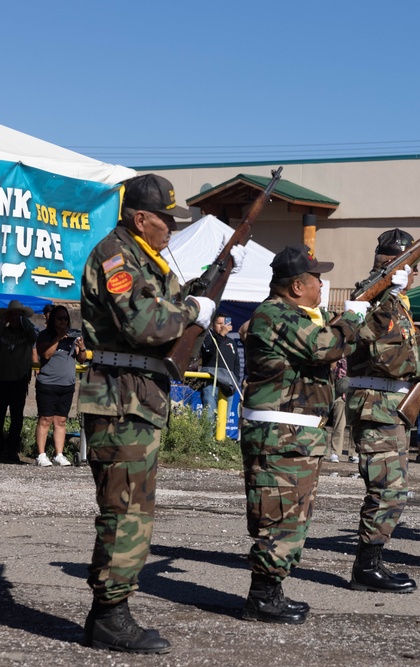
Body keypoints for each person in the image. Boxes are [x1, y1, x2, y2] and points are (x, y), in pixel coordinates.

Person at [78, 174, 216, 653]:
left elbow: (162, 314)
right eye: (166, 220)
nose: (171, 229)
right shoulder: (116, 256)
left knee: (134, 507)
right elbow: (143, 322)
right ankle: (109, 617)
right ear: (140, 217)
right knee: (124, 511)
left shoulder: (143, 258)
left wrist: (191, 299)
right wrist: (193, 308)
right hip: (119, 400)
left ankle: (112, 612)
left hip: (136, 399)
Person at [240, 244, 365, 623]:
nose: (323, 285)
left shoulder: (296, 315)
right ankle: (261, 598)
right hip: (279, 436)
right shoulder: (274, 314)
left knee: (292, 519)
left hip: (296, 436)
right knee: (277, 518)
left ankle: (271, 592)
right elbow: (325, 346)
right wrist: (351, 319)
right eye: (317, 279)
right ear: (297, 286)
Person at [345, 229, 420, 593]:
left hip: (389, 407)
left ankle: (372, 561)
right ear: (397, 267)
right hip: (376, 404)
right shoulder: (373, 300)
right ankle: (365, 568)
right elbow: (385, 355)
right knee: (387, 489)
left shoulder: (395, 301)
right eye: (413, 268)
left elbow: (403, 345)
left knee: (392, 490)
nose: (415, 276)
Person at [34, 304, 88, 467]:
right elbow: (46, 354)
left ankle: (58, 454)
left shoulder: (73, 336)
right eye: (60, 318)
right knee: (45, 419)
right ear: (53, 320)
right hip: (48, 383)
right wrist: (57, 338)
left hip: (67, 384)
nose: (63, 321)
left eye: (66, 319)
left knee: (61, 420)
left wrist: (82, 348)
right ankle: (41, 455)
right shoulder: (44, 335)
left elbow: (81, 359)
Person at [0, 300, 37, 463]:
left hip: (20, 379)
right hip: (1, 380)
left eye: (18, 314)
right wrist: (3, 322)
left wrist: (25, 322)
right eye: (12, 314)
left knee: (17, 418)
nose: (15, 317)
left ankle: (12, 449)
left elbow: (35, 336)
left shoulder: (28, 334)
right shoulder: (3, 331)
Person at [200, 314, 239, 424]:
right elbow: (210, 352)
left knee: (223, 419)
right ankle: (207, 441)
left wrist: (235, 382)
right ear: (213, 325)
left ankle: (220, 441)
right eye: (219, 324)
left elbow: (236, 364)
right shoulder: (208, 338)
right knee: (209, 418)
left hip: (227, 385)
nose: (222, 326)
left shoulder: (232, 342)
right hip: (211, 384)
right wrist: (221, 335)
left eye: (224, 323)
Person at [327, 357, 349, 462]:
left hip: (348, 393)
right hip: (333, 392)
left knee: (346, 425)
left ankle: (351, 453)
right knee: (336, 424)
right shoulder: (334, 354)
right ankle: (332, 451)